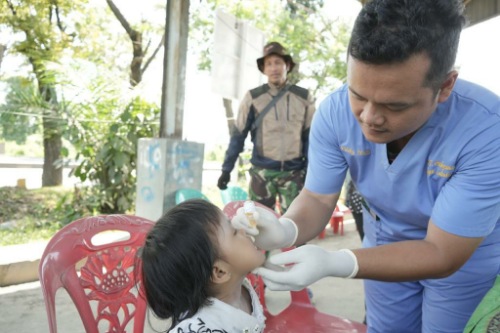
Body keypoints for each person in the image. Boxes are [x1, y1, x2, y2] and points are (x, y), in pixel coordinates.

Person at [232, 1, 500, 332]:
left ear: (445, 86)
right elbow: (317, 198)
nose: (369, 118)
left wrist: (338, 262)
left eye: (394, 105)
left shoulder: (486, 130)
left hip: (462, 258)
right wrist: (288, 228)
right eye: (358, 95)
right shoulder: (334, 112)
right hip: (384, 245)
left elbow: (442, 252)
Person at [217, 41, 315, 214]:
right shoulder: (253, 97)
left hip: (294, 174)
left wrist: (310, 170)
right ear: (263, 69)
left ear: (287, 65)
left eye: (278, 63)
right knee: (258, 227)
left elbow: (311, 138)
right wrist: (226, 169)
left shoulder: (303, 97)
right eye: (268, 64)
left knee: (295, 227)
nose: (274, 68)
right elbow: (238, 135)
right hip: (262, 174)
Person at [140, 199, 266, 332]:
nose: (242, 229)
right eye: (234, 231)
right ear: (219, 272)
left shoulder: (240, 289)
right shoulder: (202, 328)